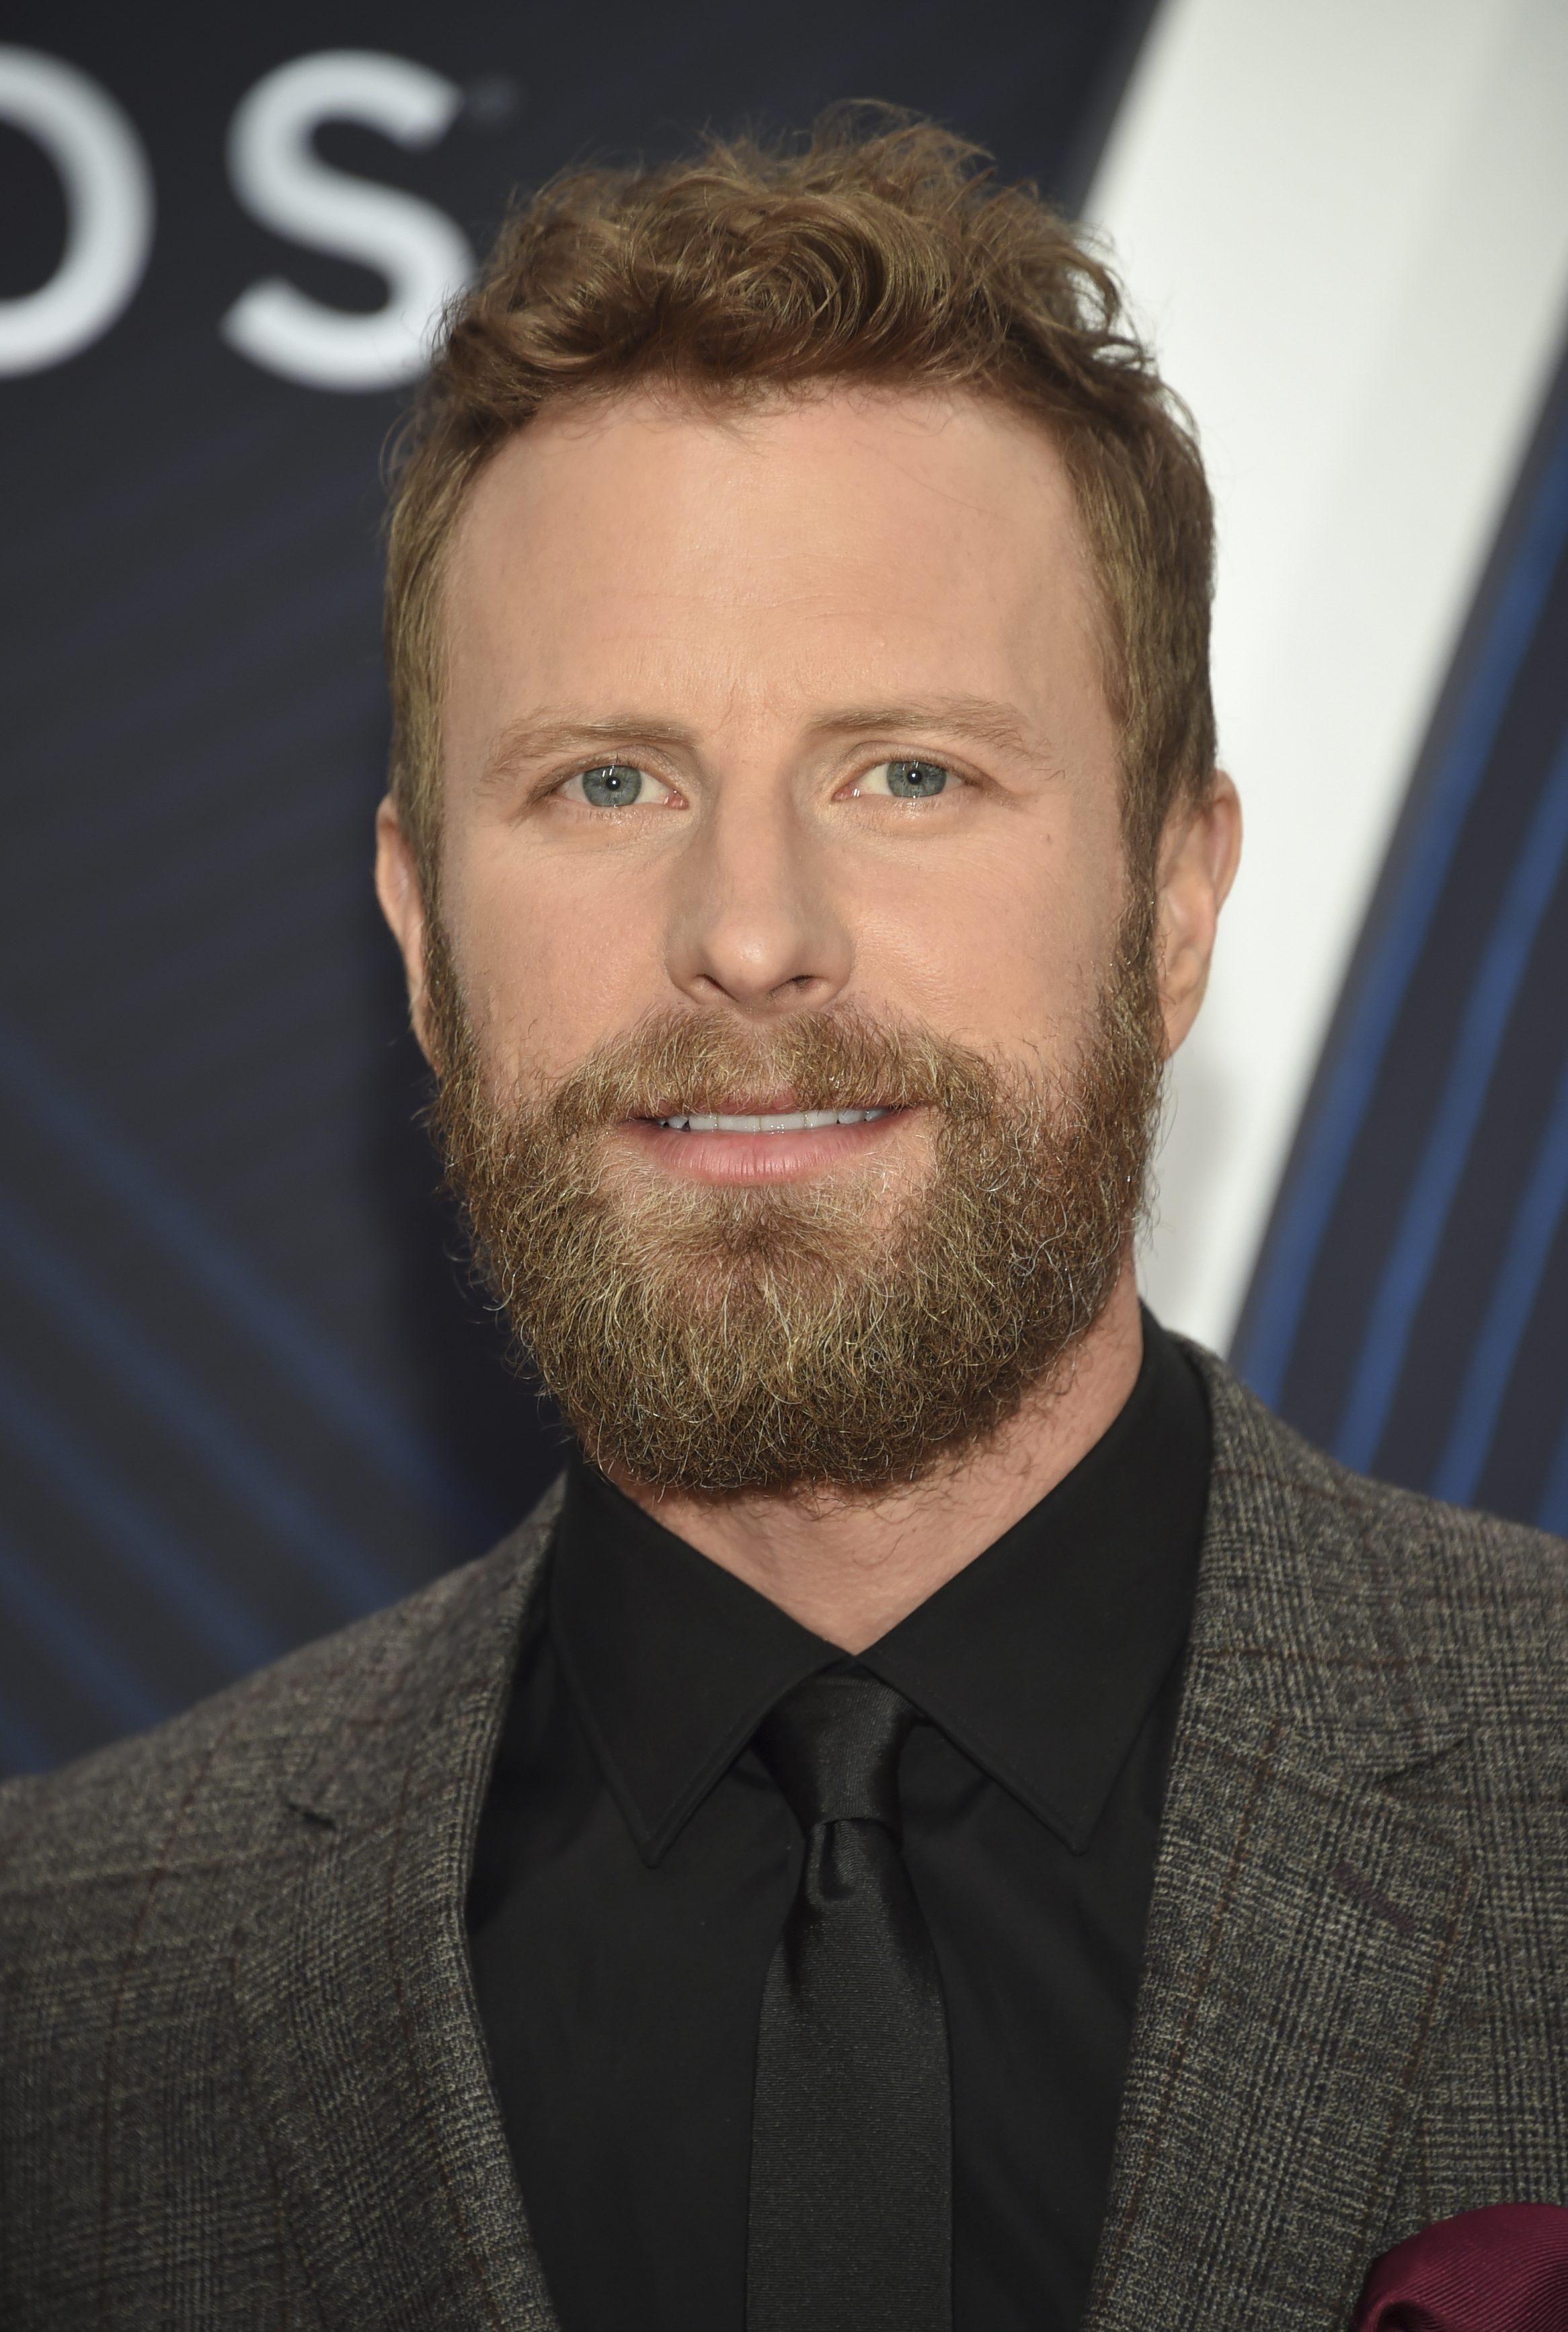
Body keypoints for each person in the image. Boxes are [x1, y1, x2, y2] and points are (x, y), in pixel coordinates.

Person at [1, 114, 1564, 2332]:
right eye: (603, 782)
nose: (748, 936)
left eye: (907, 772)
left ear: (1176, 903)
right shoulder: (59, 1991)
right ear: (422, 932)